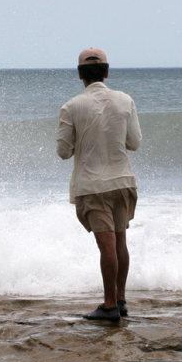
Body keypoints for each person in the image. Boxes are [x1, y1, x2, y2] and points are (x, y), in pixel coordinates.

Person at [57, 48, 142, 321]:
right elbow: (134, 143)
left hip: (93, 185)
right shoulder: (125, 100)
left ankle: (109, 306)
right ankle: (120, 299)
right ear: (106, 72)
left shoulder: (71, 107)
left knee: (106, 245)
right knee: (120, 241)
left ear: (80, 75)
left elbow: (63, 151)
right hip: (123, 181)